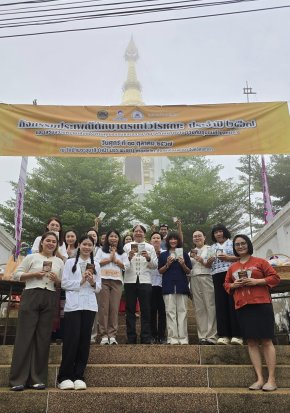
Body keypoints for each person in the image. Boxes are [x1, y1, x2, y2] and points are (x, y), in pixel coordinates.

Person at [224, 234, 280, 391]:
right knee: (251, 342)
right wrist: (234, 285)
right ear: (234, 248)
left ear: (248, 244)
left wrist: (257, 281)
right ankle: (260, 378)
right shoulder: (232, 267)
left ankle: (272, 379)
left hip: (261, 304)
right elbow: (226, 285)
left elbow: (275, 278)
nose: (240, 246)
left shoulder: (260, 262)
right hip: (242, 306)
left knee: (266, 340)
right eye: (237, 245)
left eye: (243, 243)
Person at [9, 232, 64, 391]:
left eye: (54, 241)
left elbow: (62, 282)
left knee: (43, 338)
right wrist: (33, 274)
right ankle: (17, 379)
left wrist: (56, 280)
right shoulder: (31, 258)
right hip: (32, 294)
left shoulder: (59, 261)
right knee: (24, 337)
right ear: (42, 242)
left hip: (50, 296)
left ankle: (37, 379)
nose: (51, 243)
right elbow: (16, 275)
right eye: (48, 240)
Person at [57, 235, 101, 390]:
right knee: (71, 340)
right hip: (73, 306)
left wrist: (92, 281)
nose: (87, 247)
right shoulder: (69, 262)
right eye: (84, 244)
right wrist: (81, 281)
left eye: (90, 245)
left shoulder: (95, 265)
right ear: (79, 246)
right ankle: (64, 376)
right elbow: (64, 283)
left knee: (84, 341)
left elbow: (99, 287)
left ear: (93, 247)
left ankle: (79, 375)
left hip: (89, 306)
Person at [207, 224, 242, 345]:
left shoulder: (233, 243)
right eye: (216, 232)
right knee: (220, 304)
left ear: (224, 232)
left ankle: (237, 335)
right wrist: (209, 261)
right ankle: (223, 335)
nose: (218, 234)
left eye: (220, 231)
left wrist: (228, 258)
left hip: (231, 273)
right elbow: (207, 264)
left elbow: (240, 257)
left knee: (233, 302)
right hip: (216, 275)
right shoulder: (211, 247)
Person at [123, 224, 158, 344]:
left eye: (141, 231)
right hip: (129, 280)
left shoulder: (150, 247)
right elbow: (123, 266)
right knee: (130, 309)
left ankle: (146, 337)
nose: (138, 233)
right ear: (133, 233)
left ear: (144, 233)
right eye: (136, 231)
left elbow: (154, 266)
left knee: (146, 309)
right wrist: (128, 257)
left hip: (145, 280)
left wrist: (148, 258)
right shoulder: (127, 246)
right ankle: (131, 337)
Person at [95, 230, 129, 345]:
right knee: (103, 308)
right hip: (103, 280)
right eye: (111, 236)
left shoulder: (122, 252)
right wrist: (109, 259)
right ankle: (104, 335)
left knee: (114, 309)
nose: (113, 238)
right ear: (107, 238)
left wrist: (115, 260)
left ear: (118, 239)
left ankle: (112, 335)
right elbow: (96, 263)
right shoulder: (101, 250)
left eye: (115, 236)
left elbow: (126, 266)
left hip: (117, 282)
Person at [158, 232, 192, 344]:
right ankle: (172, 338)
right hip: (168, 286)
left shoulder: (184, 254)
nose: (173, 241)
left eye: (175, 239)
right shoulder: (163, 255)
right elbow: (160, 271)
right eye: (171, 239)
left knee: (182, 312)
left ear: (178, 241)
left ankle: (183, 338)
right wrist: (167, 264)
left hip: (182, 286)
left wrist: (182, 264)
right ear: (168, 241)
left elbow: (189, 271)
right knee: (170, 312)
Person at [189, 230, 217, 345]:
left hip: (207, 277)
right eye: (194, 236)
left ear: (204, 237)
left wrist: (202, 260)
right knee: (199, 308)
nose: (197, 238)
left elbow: (212, 264)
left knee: (210, 306)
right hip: (194, 278)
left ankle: (212, 336)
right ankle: (202, 336)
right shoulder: (190, 252)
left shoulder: (210, 249)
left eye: (199, 236)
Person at [150, 232, 166, 344]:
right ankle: (152, 335)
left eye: (158, 238)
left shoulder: (165, 253)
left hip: (162, 284)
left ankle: (161, 335)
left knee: (162, 311)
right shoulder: (146, 252)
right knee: (151, 311)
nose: (156, 239)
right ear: (150, 241)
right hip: (149, 284)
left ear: (161, 240)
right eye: (154, 238)